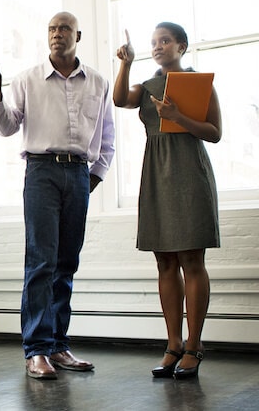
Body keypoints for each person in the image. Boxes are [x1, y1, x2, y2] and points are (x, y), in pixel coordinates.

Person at [0, 11, 115, 380]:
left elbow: (108, 139)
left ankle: (58, 345)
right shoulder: (26, 80)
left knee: (66, 264)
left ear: (77, 35)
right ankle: (36, 350)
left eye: (64, 28)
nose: (57, 34)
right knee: (41, 263)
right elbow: (6, 127)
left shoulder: (98, 82)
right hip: (41, 172)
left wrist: (90, 180)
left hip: (78, 174)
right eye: (52, 29)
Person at [112, 22, 221, 379]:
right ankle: (173, 344)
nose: (158, 46)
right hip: (157, 174)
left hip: (190, 172)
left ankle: (194, 345)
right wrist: (125, 63)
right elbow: (119, 100)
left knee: (191, 257)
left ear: (182, 46)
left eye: (165, 41)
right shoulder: (146, 86)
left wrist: (178, 117)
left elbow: (215, 133)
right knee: (164, 261)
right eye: (154, 42)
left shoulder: (199, 83)